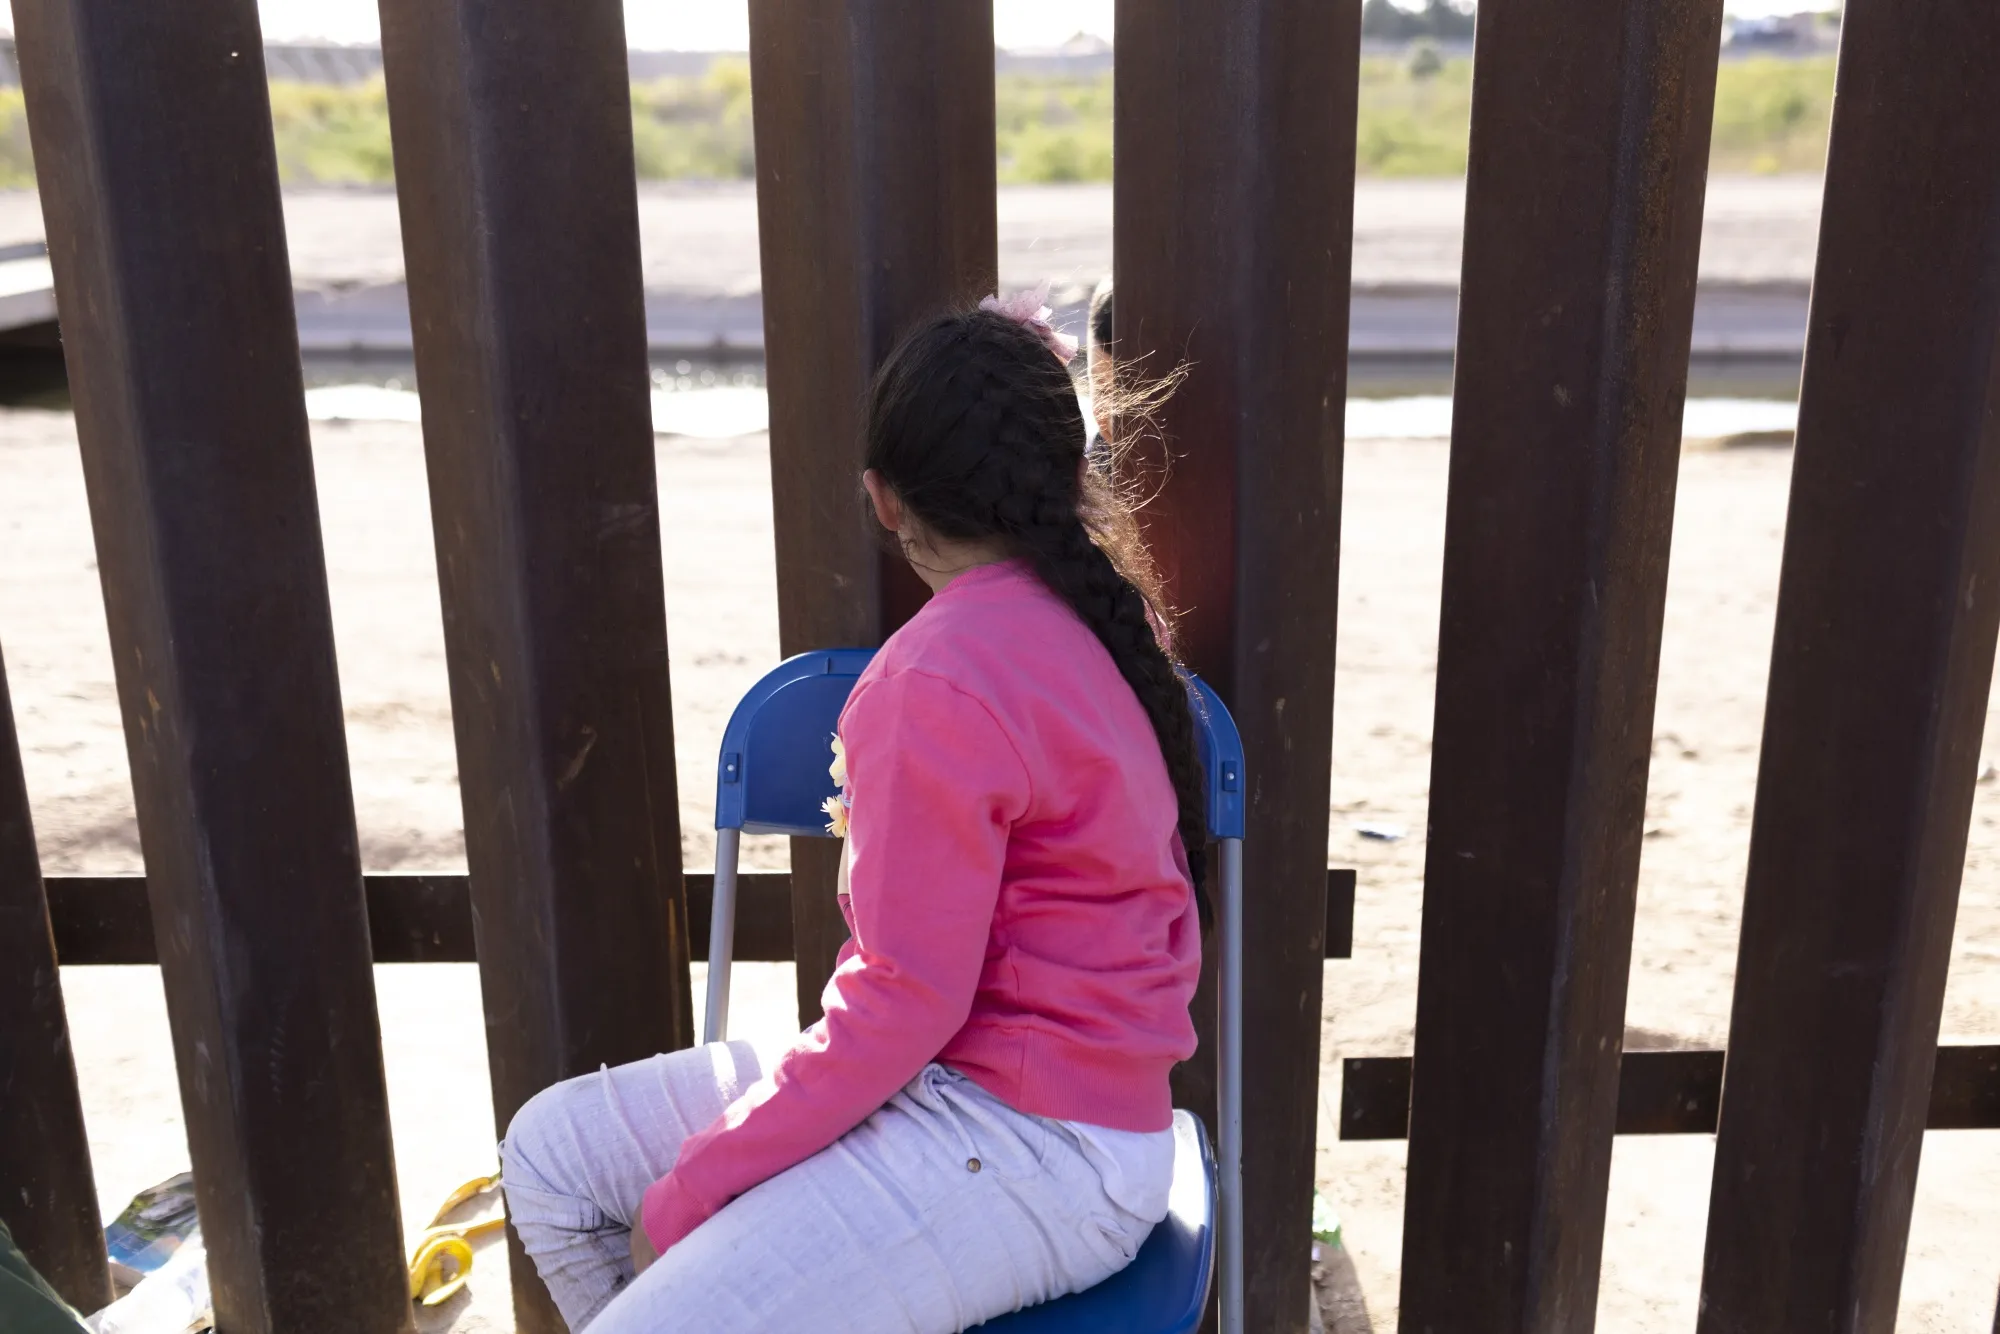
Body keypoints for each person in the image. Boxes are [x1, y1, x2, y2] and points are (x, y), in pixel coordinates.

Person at [498, 295, 1208, 1334]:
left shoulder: (934, 681)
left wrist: (691, 1193)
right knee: (550, 1154)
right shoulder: (1104, 614)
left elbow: (904, 999)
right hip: (984, 1096)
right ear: (1064, 472)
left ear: (882, 500)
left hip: (1033, 1141)